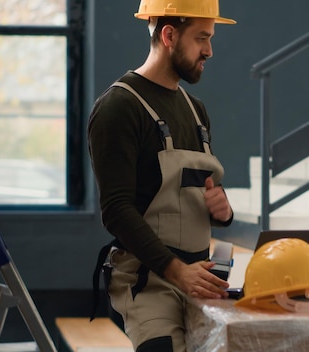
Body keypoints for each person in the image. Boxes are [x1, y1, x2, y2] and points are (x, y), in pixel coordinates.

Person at [87, 1, 236, 351]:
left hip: (200, 275)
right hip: (149, 279)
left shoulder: (195, 110)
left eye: (210, 38)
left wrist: (222, 209)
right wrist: (175, 270)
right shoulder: (119, 107)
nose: (209, 51)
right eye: (201, 38)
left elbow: (195, 194)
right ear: (169, 35)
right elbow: (117, 209)